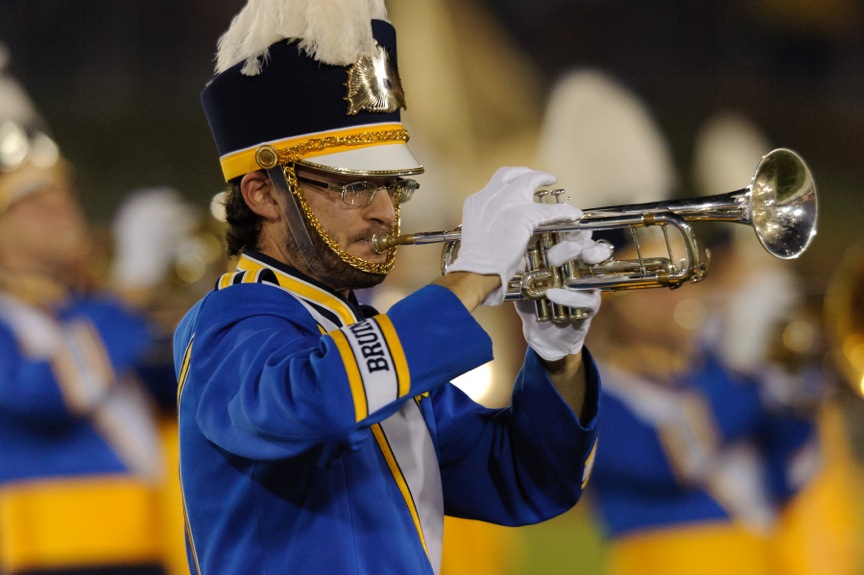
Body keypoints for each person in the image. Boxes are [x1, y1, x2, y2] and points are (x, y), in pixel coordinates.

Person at [174, 1, 611, 574]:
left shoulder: (363, 341)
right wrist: (471, 278)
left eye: (391, 186)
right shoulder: (228, 323)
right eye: (354, 187)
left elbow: (526, 479)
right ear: (263, 195)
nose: (385, 211)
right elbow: (310, 402)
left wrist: (558, 355)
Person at [0, 49, 176, 574]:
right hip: (51, 554)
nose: (62, 209)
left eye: (63, 193)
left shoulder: (80, 311)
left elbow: (178, 390)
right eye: (34, 201)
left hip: (146, 544)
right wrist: (133, 289)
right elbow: (47, 391)